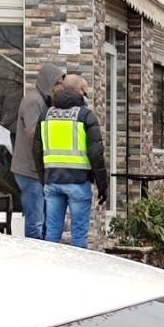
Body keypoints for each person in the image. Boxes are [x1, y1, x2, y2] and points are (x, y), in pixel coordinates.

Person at [39, 83, 107, 248]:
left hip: (52, 180)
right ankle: (78, 271)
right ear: (81, 98)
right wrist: (102, 185)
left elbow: (36, 150)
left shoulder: (46, 116)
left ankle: (50, 269)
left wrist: (42, 178)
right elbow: (96, 154)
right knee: (79, 235)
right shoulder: (85, 116)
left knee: (52, 234)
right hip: (78, 182)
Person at [12, 63, 62, 240]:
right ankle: (34, 256)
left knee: (42, 218)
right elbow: (32, 133)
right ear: (49, 82)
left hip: (37, 171)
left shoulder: (44, 101)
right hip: (29, 170)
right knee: (35, 220)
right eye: (58, 83)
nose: (60, 87)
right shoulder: (34, 101)